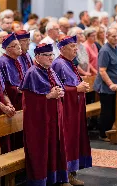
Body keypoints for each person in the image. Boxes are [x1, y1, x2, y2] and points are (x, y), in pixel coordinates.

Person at [20, 43, 69, 186]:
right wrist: (48, 96)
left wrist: (60, 92)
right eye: (46, 55)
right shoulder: (32, 72)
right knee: (41, 150)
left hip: (53, 118)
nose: (50, 58)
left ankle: (55, 178)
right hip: (38, 121)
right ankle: (40, 181)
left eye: (51, 55)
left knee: (55, 147)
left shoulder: (51, 70)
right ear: (37, 57)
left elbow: (58, 87)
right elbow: (28, 101)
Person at [52, 36, 92, 185]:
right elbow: (59, 89)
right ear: (62, 49)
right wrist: (77, 89)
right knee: (67, 142)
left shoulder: (70, 63)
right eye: (72, 46)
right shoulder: (58, 64)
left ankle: (72, 174)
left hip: (75, 109)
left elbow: (73, 81)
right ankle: (63, 176)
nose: (76, 49)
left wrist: (81, 85)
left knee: (75, 141)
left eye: (76, 46)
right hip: (66, 111)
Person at [93, 28, 117, 142]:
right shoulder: (105, 51)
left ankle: (110, 130)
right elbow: (102, 71)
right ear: (107, 36)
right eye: (113, 36)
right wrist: (110, 84)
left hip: (116, 85)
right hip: (106, 86)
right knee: (107, 111)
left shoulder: (116, 48)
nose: (116, 38)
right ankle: (103, 133)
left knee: (114, 110)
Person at [0, 34, 25, 149]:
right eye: (15, 46)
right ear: (8, 49)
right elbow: (4, 86)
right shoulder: (3, 62)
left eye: (19, 45)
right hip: (13, 101)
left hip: (21, 99)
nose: (19, 47)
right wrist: (18, 89)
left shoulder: (17, 60)